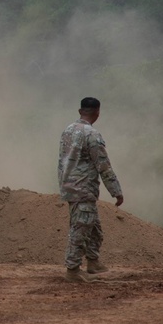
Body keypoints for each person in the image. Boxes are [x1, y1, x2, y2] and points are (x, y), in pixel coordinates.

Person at [58, 97, 124, 282]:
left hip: (70, 186)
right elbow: (103, 165)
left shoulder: (67, 131)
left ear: (80, 111)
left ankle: (93, 262)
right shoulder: (92, 135)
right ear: (97, 113)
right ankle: (72, 271)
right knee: (80, 228)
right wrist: (116, 190)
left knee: (93, 227)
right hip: (83, 188)